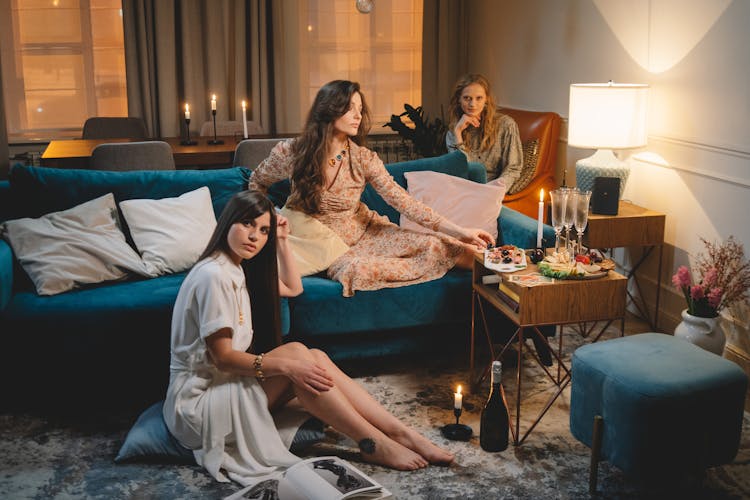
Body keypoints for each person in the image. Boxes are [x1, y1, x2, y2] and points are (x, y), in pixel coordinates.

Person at [163, 190, 454, 487]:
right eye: (247, 224)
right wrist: (287, 369)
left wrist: (284, 240)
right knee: (298, 363)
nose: (254, 236)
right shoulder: (214, 276)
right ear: (227, 223)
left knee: (308, 354)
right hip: (198, 410)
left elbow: (292, 288)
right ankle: (372, 443)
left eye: (264, 230)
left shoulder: (234, 268)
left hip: (223, 389)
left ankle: (401, 433)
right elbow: (222, 357)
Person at [248, 80, 494, 297]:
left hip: (366, 234)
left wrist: (460, 232)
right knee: (357, 270)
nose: (358, 115)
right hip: (326, 248)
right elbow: (257, 183)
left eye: (360, 109)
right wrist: (271, 218)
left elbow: (404, 202)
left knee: (439, 245)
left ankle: (503, 278)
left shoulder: (364, 158)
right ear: (329, 109)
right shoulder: (291, 152)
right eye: (350, 108)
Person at [446, 73, 523, 190]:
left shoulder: (506, 125)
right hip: (463, 189)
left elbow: (513, 168)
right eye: (467, 98)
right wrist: (458, 133)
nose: (473, 104)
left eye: (479, 98)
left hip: (493, 190)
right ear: (459, 100)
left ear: (486, 99)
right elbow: (461, 171)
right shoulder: (454, 130)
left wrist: (493, 191)